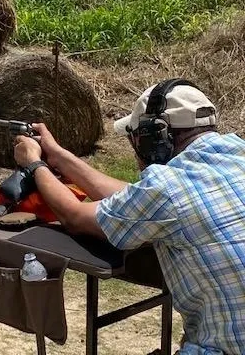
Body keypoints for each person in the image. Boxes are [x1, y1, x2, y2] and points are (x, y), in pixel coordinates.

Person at [13, 78, 245, 355]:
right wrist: (59, 156)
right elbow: (139, 197)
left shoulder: (166, 189)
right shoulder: (231, 161)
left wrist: (34, 164)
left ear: (154, 137)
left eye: (136, 137)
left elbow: (74, 216)